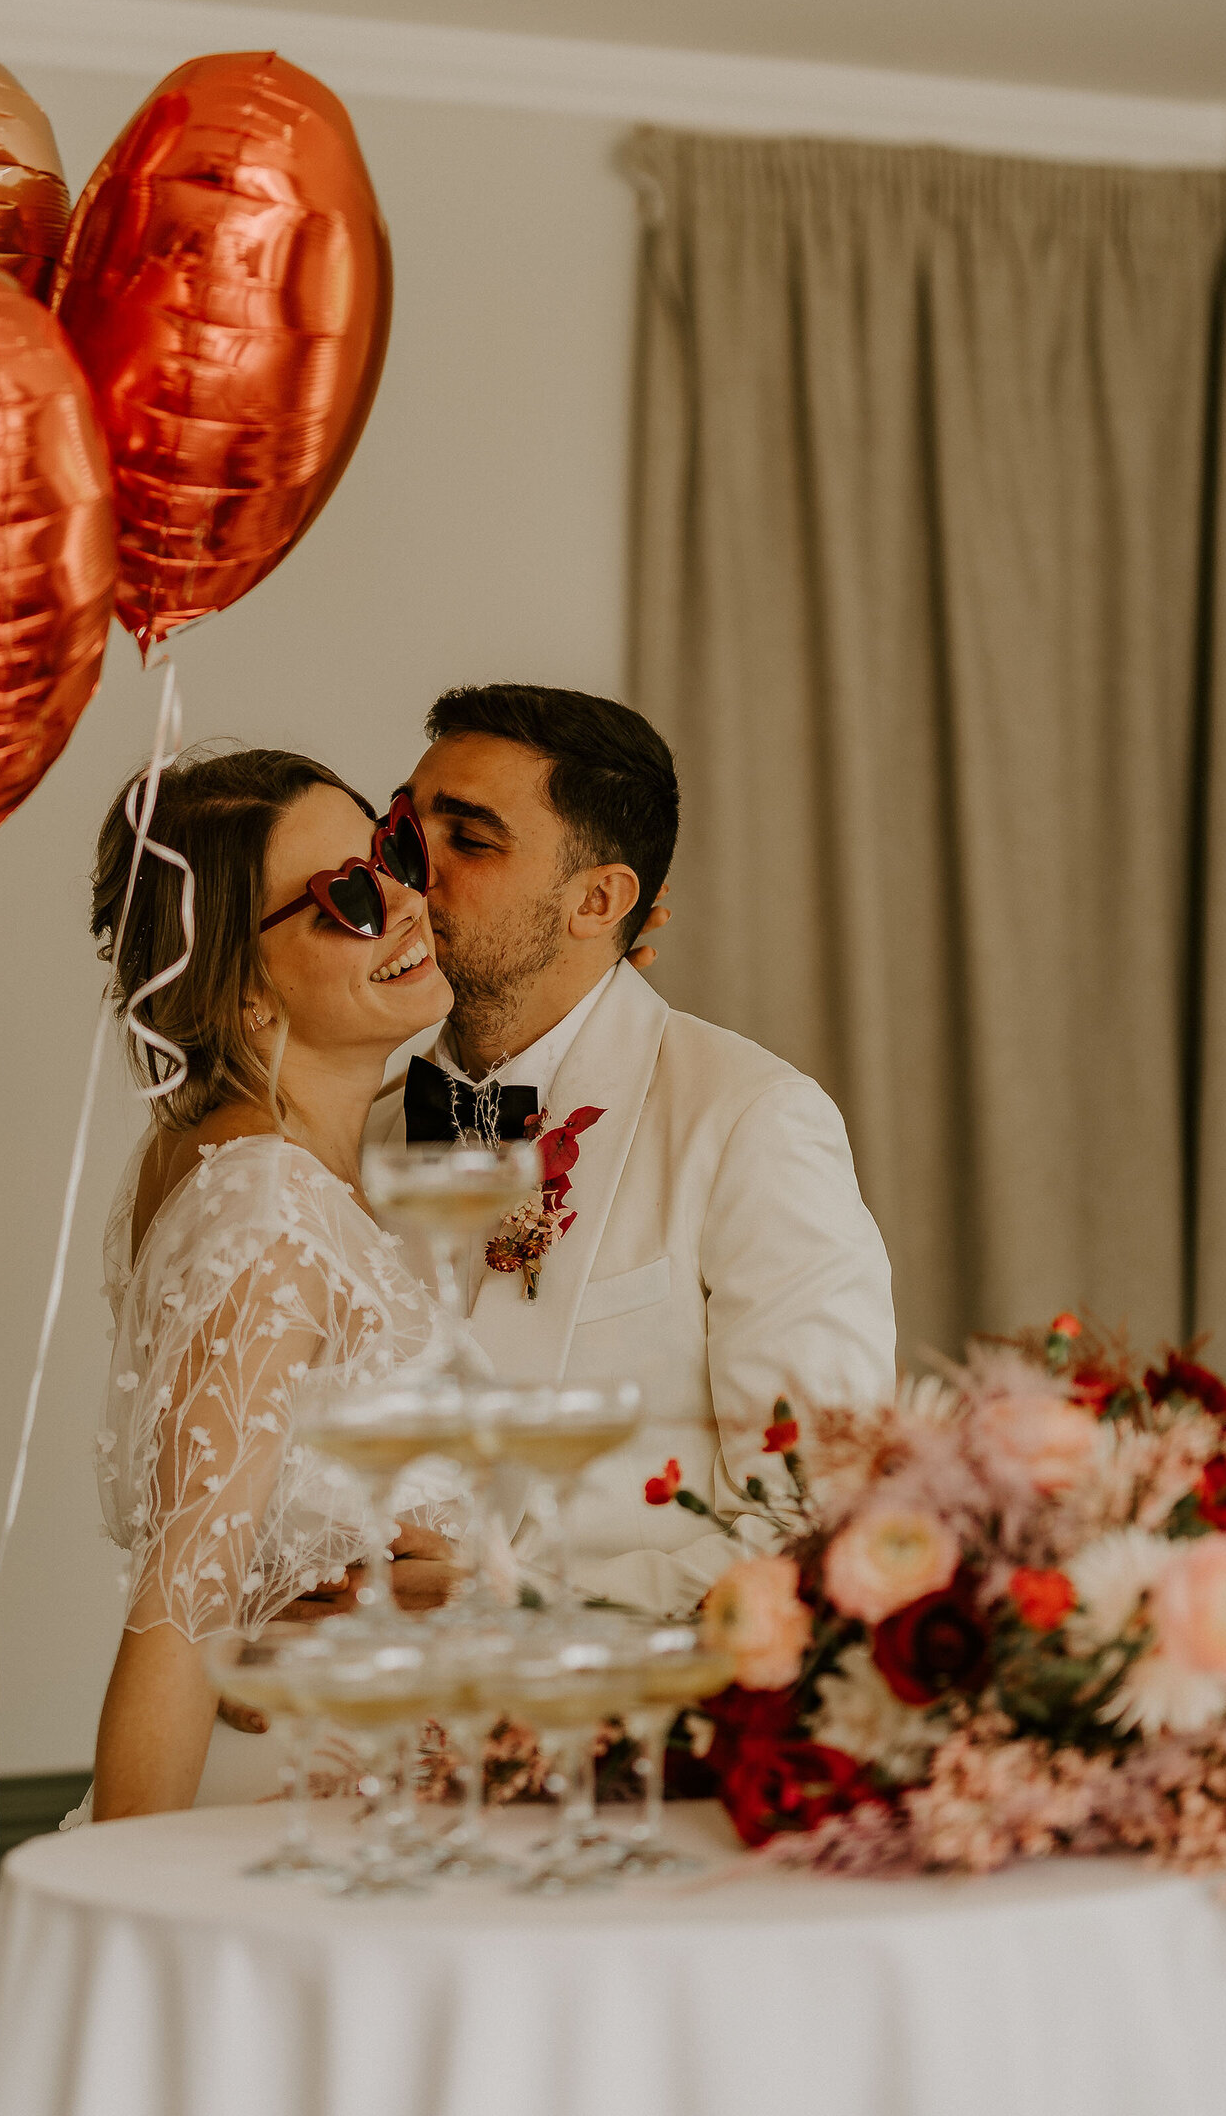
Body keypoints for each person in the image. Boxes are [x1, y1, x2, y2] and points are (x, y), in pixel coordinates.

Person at [366, 683, 897, 1615]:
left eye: (472, 840)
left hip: (625, 1723)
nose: (410, 875)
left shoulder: (749, 1121)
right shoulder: (360, 1128)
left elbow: (818, 1521)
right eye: (408, 831)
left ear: (599, 899)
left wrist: (505, 1604)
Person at [84, 747, 457, 1820]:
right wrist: (133, 1914)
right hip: (292, 1812)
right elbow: (182, 1608)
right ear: (240, 985)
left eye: (389, 854)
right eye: (345, 895)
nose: (400, 899)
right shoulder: (265, 1209)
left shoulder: (246, 1159)